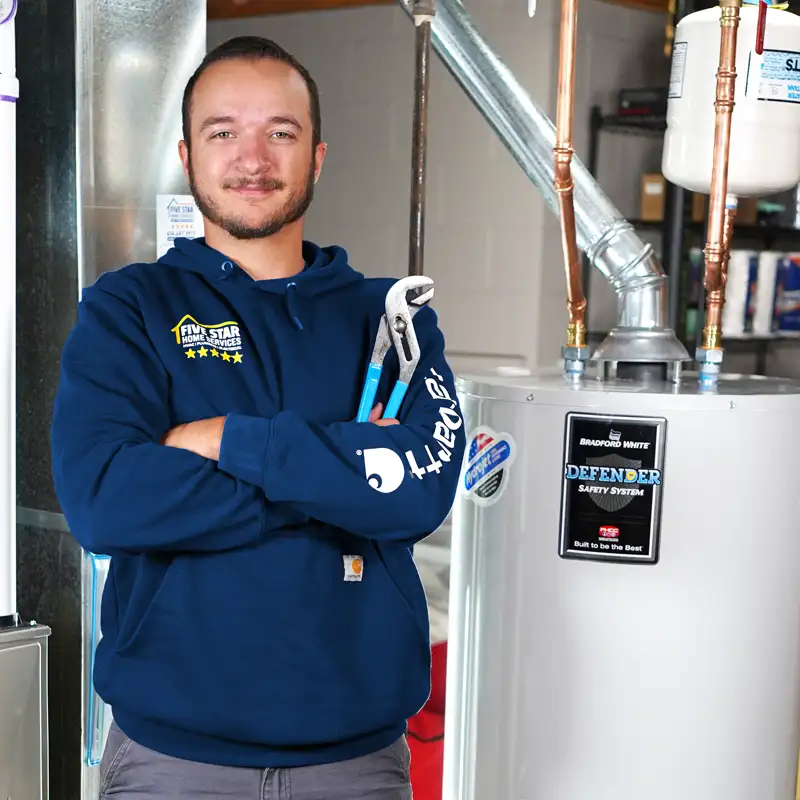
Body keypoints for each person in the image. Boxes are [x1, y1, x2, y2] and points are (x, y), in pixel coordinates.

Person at [50, 36, 465, 799]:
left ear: (317, 155)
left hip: (357, 763)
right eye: (223, 132)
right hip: (171, 762)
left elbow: (420, 493)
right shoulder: (130, 309)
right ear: (186, 152)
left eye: (281, 131)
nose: (253, 157)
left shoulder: (389, 319)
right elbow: (104, 501)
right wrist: (335, 482)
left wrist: (228, 440)